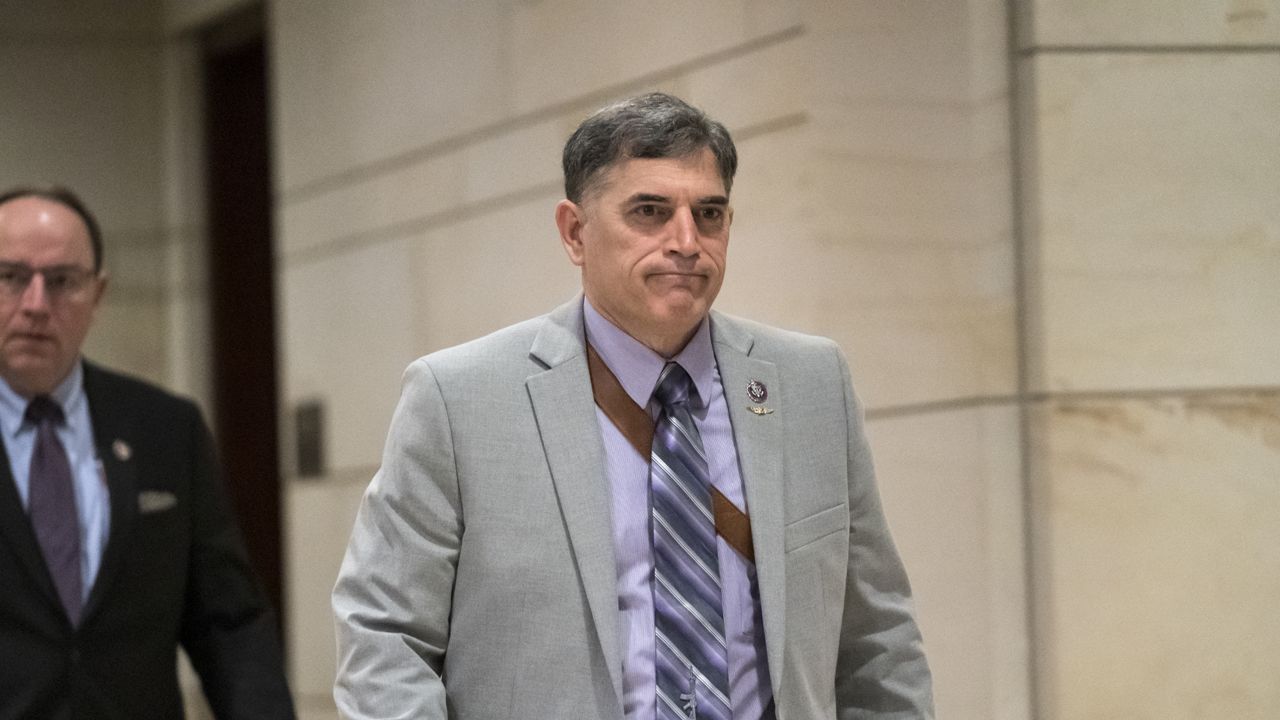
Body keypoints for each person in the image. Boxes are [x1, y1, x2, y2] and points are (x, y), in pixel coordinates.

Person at [333, 93, 933, 719]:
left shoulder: (810, 385)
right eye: (649, 211)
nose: (686, 241)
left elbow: (875, 641)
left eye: (709, 214)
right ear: (574, 232)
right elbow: (385, 636)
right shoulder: (459, 399)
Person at [0, 186, 296, 719]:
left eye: (63, 281)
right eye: (11, 277)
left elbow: (228, 623)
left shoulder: (166, 429)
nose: (36, 305)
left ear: (98, 294)